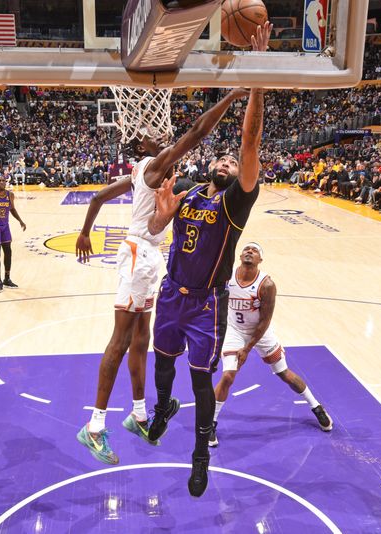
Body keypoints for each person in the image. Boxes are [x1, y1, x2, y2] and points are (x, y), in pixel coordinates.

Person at [75, 86, 252, 465]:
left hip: (149, 257)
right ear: (141, 144)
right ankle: (93, 426)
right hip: (140, 255)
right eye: (151, 131)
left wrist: (86, 230)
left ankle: (139, 414)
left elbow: (96, 198)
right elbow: (197, 135)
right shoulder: (153, 165)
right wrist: (231, 98)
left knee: (141, 341)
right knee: (120, 342)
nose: (159, 130)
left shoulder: (145, 171)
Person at [144, 21, 272, 499]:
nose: (226, 161)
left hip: (206, 306)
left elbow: (250, 144)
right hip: (170, 296)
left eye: (232, 162)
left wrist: (256, 81)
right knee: (162, 367)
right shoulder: (191, 191)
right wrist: (160, 215)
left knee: (200, 383)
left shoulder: (236, 202)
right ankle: (161, 409)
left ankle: (199, 455)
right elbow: (158, 230)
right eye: (221, 159)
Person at [210, 243, 333, 447]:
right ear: (240, 255)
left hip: (261, 333)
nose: (250, 251)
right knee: (228, 375)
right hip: (234, 331)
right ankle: (210, 424)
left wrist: (247, 349)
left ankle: (316, 407)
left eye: (255, 250)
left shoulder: (266, 285)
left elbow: (265, 321)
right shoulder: (227, 275)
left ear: (260, 260)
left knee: (284, 373)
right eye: (247, 249)